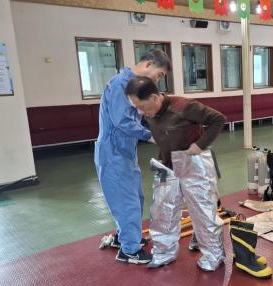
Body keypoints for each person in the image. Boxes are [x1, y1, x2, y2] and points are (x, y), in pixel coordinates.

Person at [125, 76, 227, 271]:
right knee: (162, 212)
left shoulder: (184, 106)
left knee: (203, 213)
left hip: (194, 163)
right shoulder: (149, 112)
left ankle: (213, 256)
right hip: (166, 164)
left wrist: (200, 144)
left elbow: (218, 119)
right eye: (135, 107)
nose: (139, 112)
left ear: (154, 97)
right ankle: (164, 253)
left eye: (141, 106)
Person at [94, 49, 171, 265]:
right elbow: (122, 121)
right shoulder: (120, 84)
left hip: (125, 151)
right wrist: (151, 136)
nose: (157, 80)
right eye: (159, 75)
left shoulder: (134, 86)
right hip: (113, 152)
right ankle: (129, 250)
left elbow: (138, 115)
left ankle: (125, 237)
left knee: (135, 197)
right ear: (148, 64)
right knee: (126, 200)